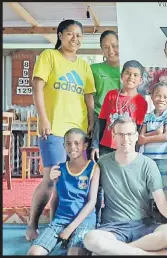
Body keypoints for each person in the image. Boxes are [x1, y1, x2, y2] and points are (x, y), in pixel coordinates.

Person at [25, 19, 96, 241]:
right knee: (51, 178)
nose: (75, 39)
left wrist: (91, 123)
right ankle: (32, 225)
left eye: (79, 35)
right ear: (60, 34)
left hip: (79, 132)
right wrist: (43, 119)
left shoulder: (84, 65)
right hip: (54, 128)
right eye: (70, 34)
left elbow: (89, 97)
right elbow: (37, 89)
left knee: (71, 180)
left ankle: (57, 225)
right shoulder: (49, 56)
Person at [83, 117, 167, 255]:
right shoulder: (102, 163)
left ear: (137, 136)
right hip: (113, 228)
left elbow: (161, 202)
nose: (126, 139)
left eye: (130, 134)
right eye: (120, 134)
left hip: (143, 226)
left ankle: (117, 251)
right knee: (91, 239)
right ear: (113, 136)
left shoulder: (148, 164)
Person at [27, 128, 100, 255]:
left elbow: (91, 202)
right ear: (64, 146)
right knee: (34, 252)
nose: (72, 147)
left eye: (77, 143)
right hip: (60, 220)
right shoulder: (59, 169)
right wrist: (52, 225)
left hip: (84, 220)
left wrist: (69, 229)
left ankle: (71, 238)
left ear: (85, 145)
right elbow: (55, 198)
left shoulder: (93, 168)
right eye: (68, 143)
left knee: (74, 253)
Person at [90, 60, 148, 158]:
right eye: (128, 73)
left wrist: (136, 153)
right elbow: (101, 122)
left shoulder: (141, 102)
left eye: (135, 75)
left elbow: (138, 129)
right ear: (121, 76)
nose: (131, 77)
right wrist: (95, 145)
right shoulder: (111, 95)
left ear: (141, 80)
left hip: (127, 148)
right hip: (106, 146)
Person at [138, 81, 167, 203]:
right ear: (152, 96)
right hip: (148, 159)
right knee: (150, 184)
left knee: (165, 185)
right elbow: (140, 138)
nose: (161, 99)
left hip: (163, 158)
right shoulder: (147, 116)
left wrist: (147, 138)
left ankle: (166, 213)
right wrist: (156, 133)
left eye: (165, 97)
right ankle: (152, 211)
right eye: (158, 95)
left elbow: (166, 136)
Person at [90, 30, 121, 161]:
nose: (111, 50)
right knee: (100, 162)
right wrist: (91, 121)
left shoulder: (129, 70)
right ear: (102, 49)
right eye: (106, 47)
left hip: (122, 122)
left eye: (114, 46)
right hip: (100, 122)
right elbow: (89, 96)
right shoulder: (94, 69)